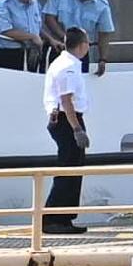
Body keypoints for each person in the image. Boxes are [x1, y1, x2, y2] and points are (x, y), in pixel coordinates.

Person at [38, 29, 98, 231]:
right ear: (82, 45)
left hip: (64, 119)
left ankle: (64, 218)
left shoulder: (64, 63)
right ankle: (53, 218)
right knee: (68, 169)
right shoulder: (69, 67)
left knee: (72, 168)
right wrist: (77, 129)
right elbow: (67, 100)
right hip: (67, 120)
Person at [50, 0, 120, 70]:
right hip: (57, 47)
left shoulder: (102, 6)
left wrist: (102, 59)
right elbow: (49, 18)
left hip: (81, 52)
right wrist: (66, 39)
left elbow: (104, 34)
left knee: (79, 83)